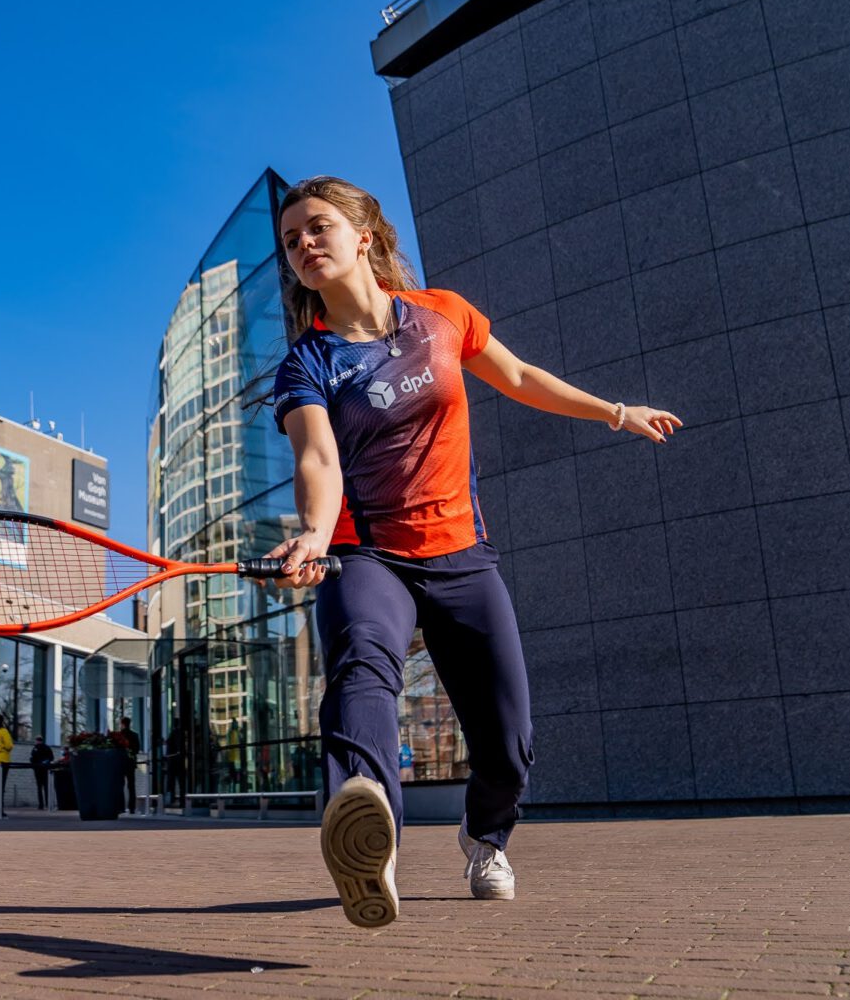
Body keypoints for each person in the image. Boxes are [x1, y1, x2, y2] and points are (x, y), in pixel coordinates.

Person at [264, 176, 681, 928]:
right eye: (292, 241)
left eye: (318, 228)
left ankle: (485, 836)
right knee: (363, 661)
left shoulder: (442, 314)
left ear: (363, 236)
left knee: (509, 743)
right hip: (366, 555)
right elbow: (318, 459)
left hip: (461, 553)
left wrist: (617, 411)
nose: (304, 246)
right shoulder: (307, 364)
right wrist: (318, 537)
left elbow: (520, 377)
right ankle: (369, 832)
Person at [117, 717, 141, 815]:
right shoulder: (134, 735)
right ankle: (132, 807)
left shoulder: (119, 735)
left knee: (120, 785)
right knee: (131, 786)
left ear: (122, 724)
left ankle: (121, 807)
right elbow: (137, 749)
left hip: (121, 763)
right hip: (130, 763)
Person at [29, 736, 54, 810]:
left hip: (38, 770)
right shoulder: (46, 748)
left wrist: (34, 764)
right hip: (44, 769)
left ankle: (41, 805)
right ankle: (47, 803)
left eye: (36, 741)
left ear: (38, 741)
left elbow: (32, 758)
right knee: (46, 787)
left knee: (40, 787)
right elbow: (51, 758)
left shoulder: (35, 748)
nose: (36, 742)